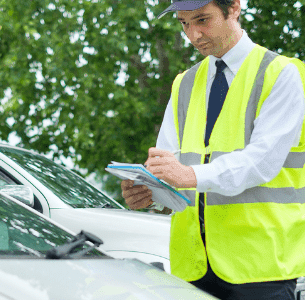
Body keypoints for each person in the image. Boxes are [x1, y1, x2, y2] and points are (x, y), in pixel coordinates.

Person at [120, 0, 305, 299]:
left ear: (234, 8)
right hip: (193, 266)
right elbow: (171, 164)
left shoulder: (282, 74)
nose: (193, 35)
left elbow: (261, 162)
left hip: (260, 267)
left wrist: (187, 175)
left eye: (202, 20)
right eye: (184, 23)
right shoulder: (184, 83)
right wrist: (151, 194)